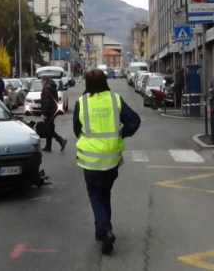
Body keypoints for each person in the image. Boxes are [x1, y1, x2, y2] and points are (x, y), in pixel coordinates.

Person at [73, 69, 140, 255]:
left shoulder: (82, 102)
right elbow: (134, 121)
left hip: (90, 160)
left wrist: (87, 139)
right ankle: (102, 230)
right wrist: (121, 134)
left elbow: (76, 129)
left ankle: (104, 229)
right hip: (111, 158)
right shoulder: (115, 99)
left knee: (95, 195)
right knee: (105, 193)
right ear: (105, 82)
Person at [40, 76, 67, 152]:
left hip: (49, 112)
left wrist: (44, 113)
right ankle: (48, 146)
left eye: (41, 81)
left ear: (45, 80)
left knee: (48, 128)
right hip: (53, 110)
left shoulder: (46, 88)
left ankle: (61, 140)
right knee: (49, 128)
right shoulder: (52, 86)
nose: (41, 83)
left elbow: (47, 102)